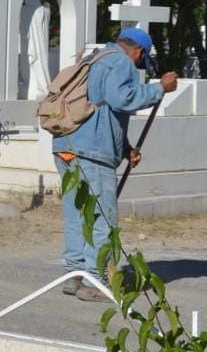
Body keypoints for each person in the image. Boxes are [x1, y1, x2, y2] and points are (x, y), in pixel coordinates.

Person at [52, 27, 177, 302]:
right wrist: (159, 88)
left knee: (78, 214)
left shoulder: (94, 58)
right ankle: (95, 282)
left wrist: (125, 148)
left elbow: (103, 110)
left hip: (66, 146)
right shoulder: (120, 62)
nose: (137, 65)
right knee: (102, 219)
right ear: (138, 51)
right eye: (140, 61)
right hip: (91, 152)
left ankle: (74, 275)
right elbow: (123, 99)